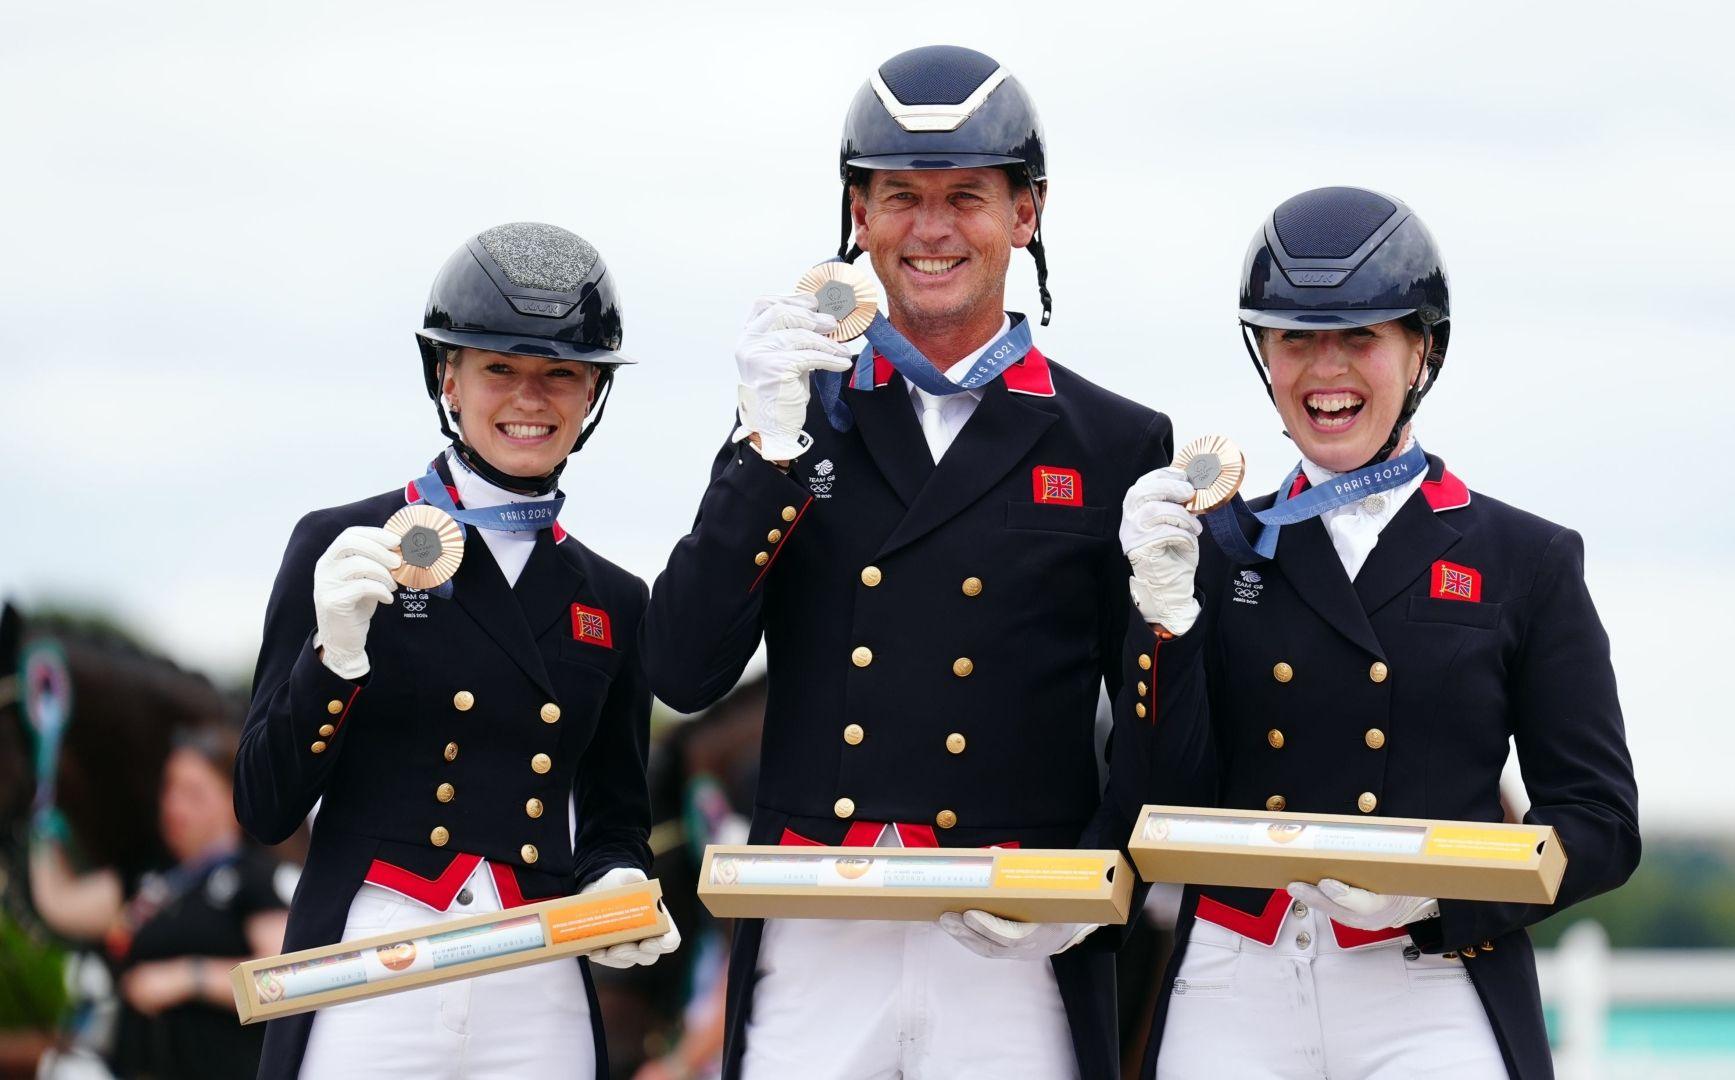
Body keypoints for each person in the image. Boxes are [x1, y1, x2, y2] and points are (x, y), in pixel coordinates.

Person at [644, 44, 1176, 1080]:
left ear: (1027, 213)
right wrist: (765, 453)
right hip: (815, 924)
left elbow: (1154, 718)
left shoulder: (1114, 442)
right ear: (858, 213)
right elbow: (683, 666)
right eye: (900, 197)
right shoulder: (795, 414)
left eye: (966, 197)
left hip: (1015, 932)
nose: (931, 230)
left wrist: (1094, 880)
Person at [1119, 187, 1639, 1079]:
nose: (1327, 370)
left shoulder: (1525, 558)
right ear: (1264, 354)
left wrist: (1438, 898)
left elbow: (1599, 822)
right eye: (1295, 338)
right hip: (1233, 978)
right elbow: (1158, 792)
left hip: (1431, 977)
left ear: (1420, 349)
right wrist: (1162, 616)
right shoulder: (1213, 545)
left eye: (1360, 337)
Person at [234, 222, 679, 1080]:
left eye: (561, 373)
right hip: (374, 958)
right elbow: (263, 806)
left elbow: (615, 813)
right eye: (500, 369)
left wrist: (621, 877)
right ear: (449, 376)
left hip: (534, 970)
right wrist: (331, 657)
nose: (531, 397)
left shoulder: (613, 600)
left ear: (592, 395)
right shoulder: (343, 542)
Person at [30, 727, 292, 1080]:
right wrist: (42, 829)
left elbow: (282, 983)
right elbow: (59, 906)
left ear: (233, 800)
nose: (174, 806)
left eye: (193, 793)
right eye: (170, 788)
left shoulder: (254, 878)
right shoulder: (147, 876)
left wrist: (189, 976)